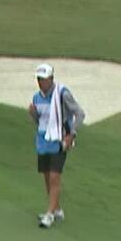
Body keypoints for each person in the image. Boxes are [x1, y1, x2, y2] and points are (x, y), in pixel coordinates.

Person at [26, 63, 85, 229]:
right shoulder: (37, 97)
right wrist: (33, 114)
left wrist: (71, 135)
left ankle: (50, 214)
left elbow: (79, 113)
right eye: (38, 79)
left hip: (59, 141)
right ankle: (57, 209)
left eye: (44, 79)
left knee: (54, 177)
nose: (40, 82)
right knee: (46, 176)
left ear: (51, 79)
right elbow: (40, 121)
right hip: (43, 141)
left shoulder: (62, 94)